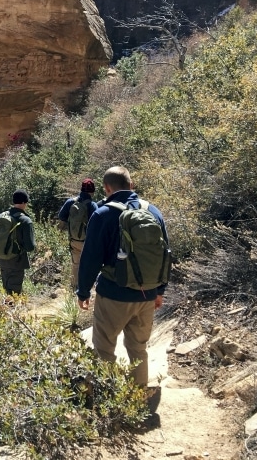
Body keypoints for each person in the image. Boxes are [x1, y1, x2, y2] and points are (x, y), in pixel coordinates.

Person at [75, 166, 168, 388]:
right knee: (138, 349)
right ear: (131, 185)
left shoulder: (103, 214)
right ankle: (138, 399)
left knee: (104, 348)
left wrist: (83, 291)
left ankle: (108, 399)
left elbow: (90, 258)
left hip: (114, 295)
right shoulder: (154, 212)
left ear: (107, 188)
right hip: (146, 295)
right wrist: (160, 291)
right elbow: (165, 255)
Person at [57, 178, 98, 289]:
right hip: (87, 241)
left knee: (76, 264)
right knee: (88, 265)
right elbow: (97, 224)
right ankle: (86, 288)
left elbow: (61, 217)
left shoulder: (71, 202)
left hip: (74, 240)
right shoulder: (93, 205)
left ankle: (74, 287)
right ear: (92, 192)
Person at [0, 189, 36, 296]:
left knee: (6, 290)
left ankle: (4, 311)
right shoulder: (25, 220)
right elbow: (30, 247)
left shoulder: (0, 217)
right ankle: (11, 312)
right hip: (17, 261)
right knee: (14, 293)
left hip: (2, 260)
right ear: (24, 202)